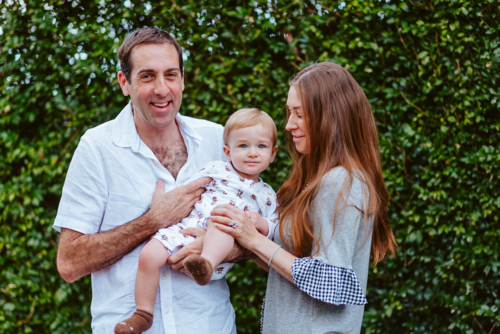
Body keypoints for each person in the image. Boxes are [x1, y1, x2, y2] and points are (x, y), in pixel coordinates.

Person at [54, 27, 246, 334]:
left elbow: (252, 224)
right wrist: (152, 221)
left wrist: (221, 249)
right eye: (147, 76)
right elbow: (69, 262)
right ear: (124, 83)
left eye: (171, 74)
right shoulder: (97, 148)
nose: (162, 88)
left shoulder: (217, 140)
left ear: (183, 79)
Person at [211, 62, 397, 334]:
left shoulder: (341, 181)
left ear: (329, 116)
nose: (288, 125)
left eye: (299, 114)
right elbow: (295, 270)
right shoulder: (317, 179)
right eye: (289, 113)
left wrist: (253, 239)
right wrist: (247, 240)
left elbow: (329, 283)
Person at [114, 108, 279, 334]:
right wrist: (160, 207)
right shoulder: (217, 169)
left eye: (261, 146)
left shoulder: (268, 194)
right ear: (227, 152)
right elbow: (185, 190)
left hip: (219, 239)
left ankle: (206, 264)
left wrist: (261, 223)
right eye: (243, 146)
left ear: (273, 154)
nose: (252, 153)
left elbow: (275, 230)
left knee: (221, 220)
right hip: (185, 227)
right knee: (148, 255)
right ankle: (143, 313)